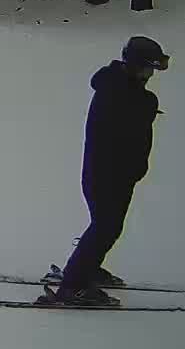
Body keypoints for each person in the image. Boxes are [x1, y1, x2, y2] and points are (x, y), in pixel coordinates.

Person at [42, 37, 170, 308]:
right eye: (148, 68)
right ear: (135, 65)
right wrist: (146, 105)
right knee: (105, 227)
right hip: (107, 174)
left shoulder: (125, 88)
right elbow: (122, 131)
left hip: (118, 174)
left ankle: (86, 267)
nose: (150, 75)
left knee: (107, 227)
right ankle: (73, 286)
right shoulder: (118, 91)